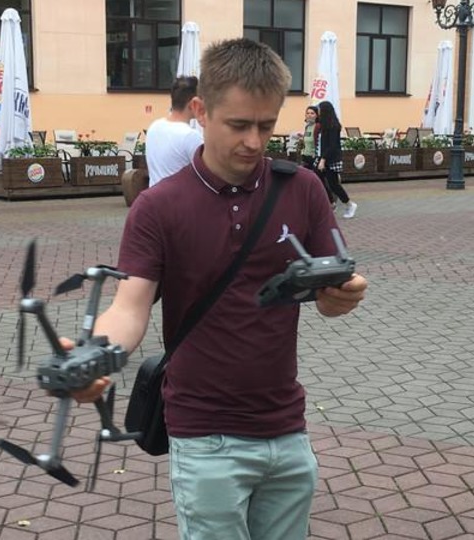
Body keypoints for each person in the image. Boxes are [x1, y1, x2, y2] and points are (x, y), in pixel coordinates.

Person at [67, 38, 369, 539]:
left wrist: (346, 294)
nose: (254, 141)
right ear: (201, 112)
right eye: (239, 124)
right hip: (204, 434)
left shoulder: (302, 188)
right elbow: (129, 308)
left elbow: (331, 293)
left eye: (266, 126)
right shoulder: (158, 207)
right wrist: (93, 355)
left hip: (286, 427)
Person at [145, 76, 205, 188]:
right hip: (181, 198)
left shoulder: (154, 127)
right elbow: (209, 174)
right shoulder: (190, 136)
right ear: (193, 104)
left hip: (154, 195)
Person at [314, 100, 358, 219]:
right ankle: (331, 203)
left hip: (331, 159)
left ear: (325, 111)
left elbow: (332, 146)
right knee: (318, 179)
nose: (318, 112)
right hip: (323, 157)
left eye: (319, 110)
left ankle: (349, 204)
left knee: (333, 184)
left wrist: (323, 159)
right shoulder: (323, 125)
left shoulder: (333, 126)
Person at [300, 105, 319, 170]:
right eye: (307, 113)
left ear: (317, 115)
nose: (309, 115)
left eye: (312, 113)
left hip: (314, 157)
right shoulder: (307, 127)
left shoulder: (317, 126)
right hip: (305, 156)